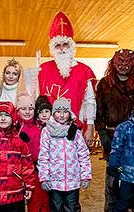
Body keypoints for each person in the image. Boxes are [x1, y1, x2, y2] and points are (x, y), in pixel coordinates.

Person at [95, 49, 134, 212]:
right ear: (113, 63)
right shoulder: (104, 83)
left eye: (127, 64)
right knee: (112, 174)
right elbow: (100, 109)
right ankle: (111, 208)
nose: (123, 67)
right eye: (120, 63)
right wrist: (102, 132)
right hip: (111, 134)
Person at [38, 98, 92, 212]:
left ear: (70, 113)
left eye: (65, 112)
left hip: (72, 181)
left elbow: (83, 154)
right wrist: (44, 177)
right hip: (54, 182)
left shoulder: (74, 131)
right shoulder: (46, 131)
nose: (62, 115)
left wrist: (85, 176)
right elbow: (43, 156)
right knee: (56, 211)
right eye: (58, 112)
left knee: (72, 211)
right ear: (54, 113)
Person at [38, 11, 97, 146]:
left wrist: (90, 126)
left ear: (71, 47)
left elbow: (90, 101)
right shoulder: (43, 69)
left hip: (76, 128)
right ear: (53, 48)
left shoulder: (84, 70)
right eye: (58, 45)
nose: (62, 49)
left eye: (66, 44)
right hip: (49, 129)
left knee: (75, 163)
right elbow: (37, 99)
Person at [16, 94, 50, 212]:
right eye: (23, 108)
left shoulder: (40, 125)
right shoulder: (15, 127)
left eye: (31, 108)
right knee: (32, 199)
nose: (28, 111)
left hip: (40, 167)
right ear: (17, 110)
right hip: (23, 169)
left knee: (44, 197)